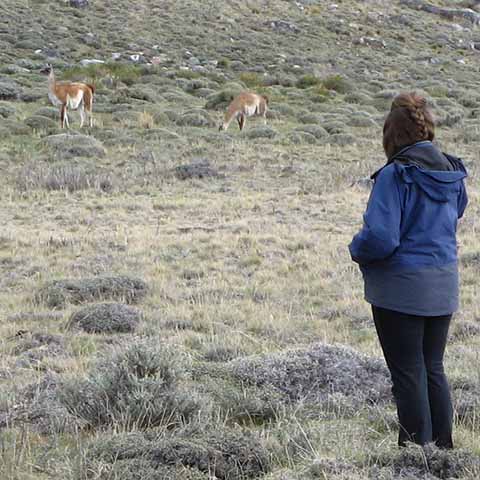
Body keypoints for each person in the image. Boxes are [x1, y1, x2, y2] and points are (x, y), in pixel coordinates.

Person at [349, 92, 468, 448]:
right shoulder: (450, 170)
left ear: (392, 134)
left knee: (408, 373)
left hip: (401, 290)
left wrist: (356, 249)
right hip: (443, 284)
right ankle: (443, 452)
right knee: (433, 368)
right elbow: (456, 212)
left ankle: (416, 456)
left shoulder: (395, 175)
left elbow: (381, 238)